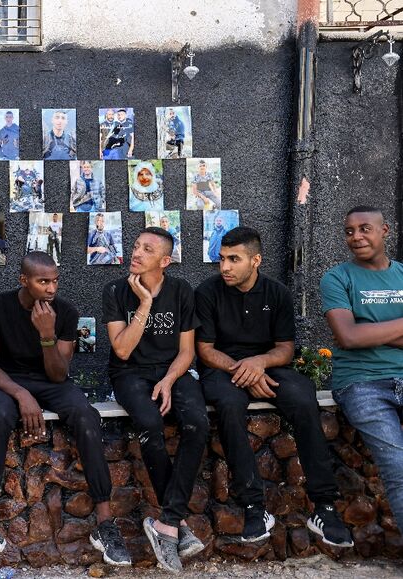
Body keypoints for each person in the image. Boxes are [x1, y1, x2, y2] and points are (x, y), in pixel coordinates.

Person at [197, 226, 353, 546]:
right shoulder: (207, 292)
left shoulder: (277, 292)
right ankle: (254, 507)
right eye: (222, 258)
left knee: (303, 397)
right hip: (222, 368)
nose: (224, 266)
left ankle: (324, 506)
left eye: (234, 259)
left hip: (268, 365)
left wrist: (260, 365)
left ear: (255, 260)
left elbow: (284, 348)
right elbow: (206, 350)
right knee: (228, 405)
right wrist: (245, 371)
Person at [0, 252, 129, 571]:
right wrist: (21, 394)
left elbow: (59, 374)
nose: (51, 288)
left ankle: (104, 522)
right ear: (24, 281)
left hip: (52, 382)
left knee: (87, 415)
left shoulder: (66, 312)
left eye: (55, 280)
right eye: (43, 281)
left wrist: (47, 335)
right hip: (8, 382)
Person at [103, 227, 209, 573]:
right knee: (149, 422)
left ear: (164, 261)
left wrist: (167, 380)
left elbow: (187, 352)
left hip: (171, 371)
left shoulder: (180, 291)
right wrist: (145, 304)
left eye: (147, 250)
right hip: (129, 373)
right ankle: (175, 523)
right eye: (135, 246)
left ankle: (166, 522)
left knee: (197, 422)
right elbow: (121, 349)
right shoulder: (116, 291)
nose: (136, 253)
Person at [321, 206, 403, 531]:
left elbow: (360, 333)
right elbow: (348, 336)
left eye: (365, 229)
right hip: (361, 383)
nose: (356, 237)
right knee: (399, 467)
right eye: (350, 231)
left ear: (385, 231)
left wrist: (373, 329)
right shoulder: (337, 278)